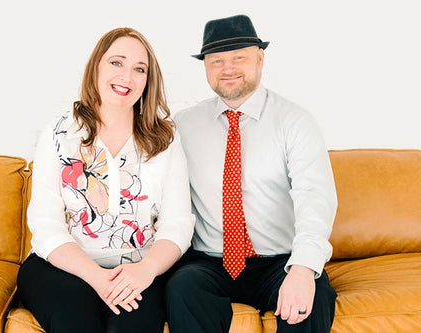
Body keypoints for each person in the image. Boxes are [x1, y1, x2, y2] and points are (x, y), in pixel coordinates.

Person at [165, 15, 339, 333]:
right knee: (182, 288)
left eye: (239, 57)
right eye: (216, 60)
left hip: (279, 261)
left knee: (313, 300)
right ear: (205, 66)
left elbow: (315, 198)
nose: (227, 68)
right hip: (209, 262)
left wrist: (302, 268)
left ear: (260, 58)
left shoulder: (295, 122)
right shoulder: (184, 126)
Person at [17, 27, 194, 333]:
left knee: (133, 325)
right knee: (76, 321)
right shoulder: (58, 135)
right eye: (116, 62)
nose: (127, 76)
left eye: (140, 69)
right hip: (63, 268)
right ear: (96, 66)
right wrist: (99, 279)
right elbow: (46, 227)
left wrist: (145, 271)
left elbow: (178, 223)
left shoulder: (166, 140)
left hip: (140, 268)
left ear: (147, 81)